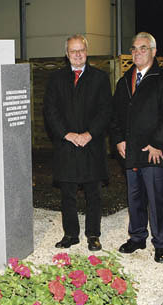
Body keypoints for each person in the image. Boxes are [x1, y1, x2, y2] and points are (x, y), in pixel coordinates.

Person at [111, 32, 163, 263]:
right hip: (131, 152)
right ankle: (137, 236)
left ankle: (160, 243)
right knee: (135, 198)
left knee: (157, 199)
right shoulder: (124, 81)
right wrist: (119, 140)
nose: (137, 52)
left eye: (143, 48)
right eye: (134, 48)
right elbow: (115, 116)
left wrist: (158, 143)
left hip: (155, 153)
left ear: (153, 51)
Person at [43, 34, 112, 251]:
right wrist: (67, 134)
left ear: (87, 51)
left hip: (92, 145)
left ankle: (93, 235)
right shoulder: (56, 79)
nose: (77, 54)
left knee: (94, 194)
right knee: (68, 195)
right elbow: (50, 111)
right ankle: (71, 235)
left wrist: (89, 134)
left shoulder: (100, 78)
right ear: (67, 54)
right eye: (73, 51)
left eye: (81, 50)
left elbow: (106, 111)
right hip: (66, 146)